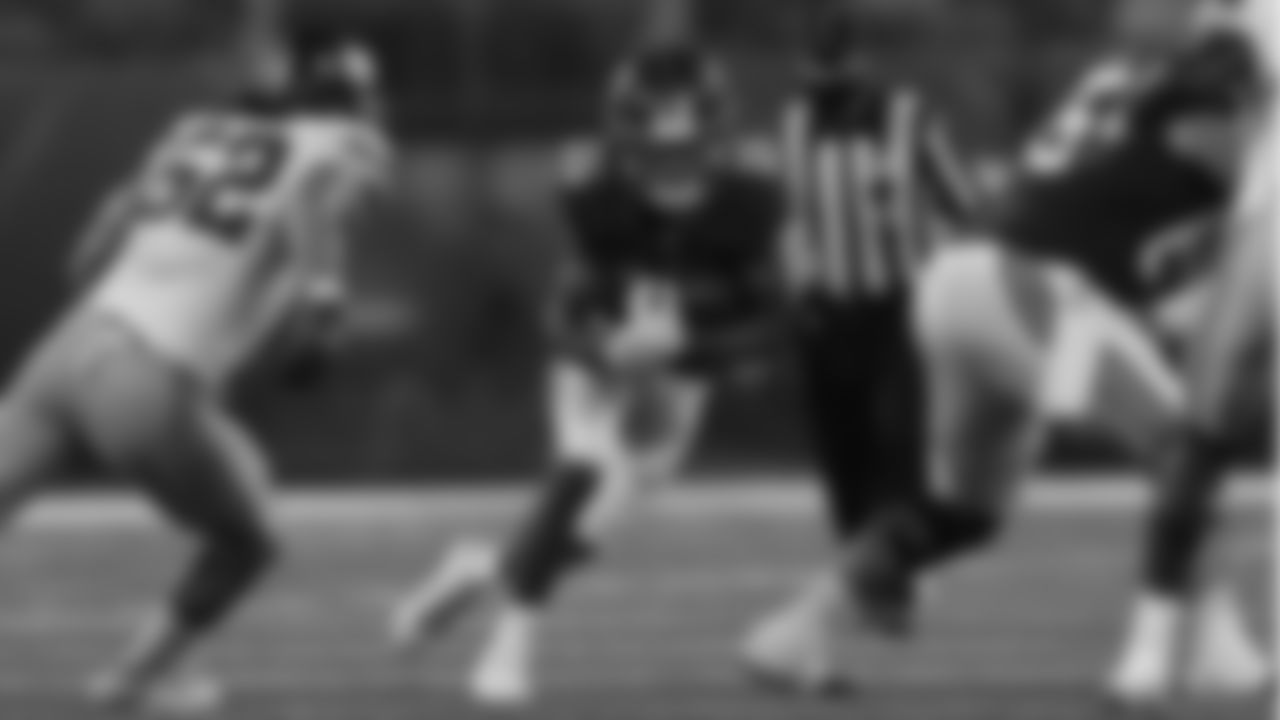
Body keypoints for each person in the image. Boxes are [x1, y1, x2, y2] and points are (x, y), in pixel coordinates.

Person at [761, 22, 1269, 694]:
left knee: (964, 512)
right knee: (1185, 452)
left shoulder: (1139, 86)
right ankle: (1216, 647)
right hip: (1035, 284)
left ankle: (795, 631)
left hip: (970, 281)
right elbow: (1227, 176)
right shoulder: (1209, 105)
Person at [389, 41, 788, 707]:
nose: (672, 175)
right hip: (602, 357)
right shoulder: (592, 190)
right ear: (623, 138)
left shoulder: (752, 198)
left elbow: (772, 318)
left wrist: (699, 346)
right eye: (657, 157)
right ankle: (507, 650)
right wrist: (609, 352)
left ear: (720, 137)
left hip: (685, 375)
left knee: (582, 533)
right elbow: (564, 312)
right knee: (586, 468)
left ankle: (481, 567)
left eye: (687, 155)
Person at [0, 40, 388, 715]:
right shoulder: (342, 143)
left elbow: (88, 253)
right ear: (361, 103)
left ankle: (159, 680)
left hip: (67, 349)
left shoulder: (194, 130)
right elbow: (314, 202)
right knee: (250, 541)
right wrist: (322, 305)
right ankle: (130, 681)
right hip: (145, 376)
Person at [739, 11, 985, 692]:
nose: (823, 87)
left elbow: (965, 208)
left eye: (833, 72)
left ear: (858, 67)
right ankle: (860, 598)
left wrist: (950, 282)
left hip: (903, 308)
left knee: (899, 452)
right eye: (814, 72)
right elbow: (785, 221)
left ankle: (893, 578)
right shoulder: (791, 127)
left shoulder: (909, 120)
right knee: (845, 468)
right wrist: (798, 293)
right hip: (829, 315)